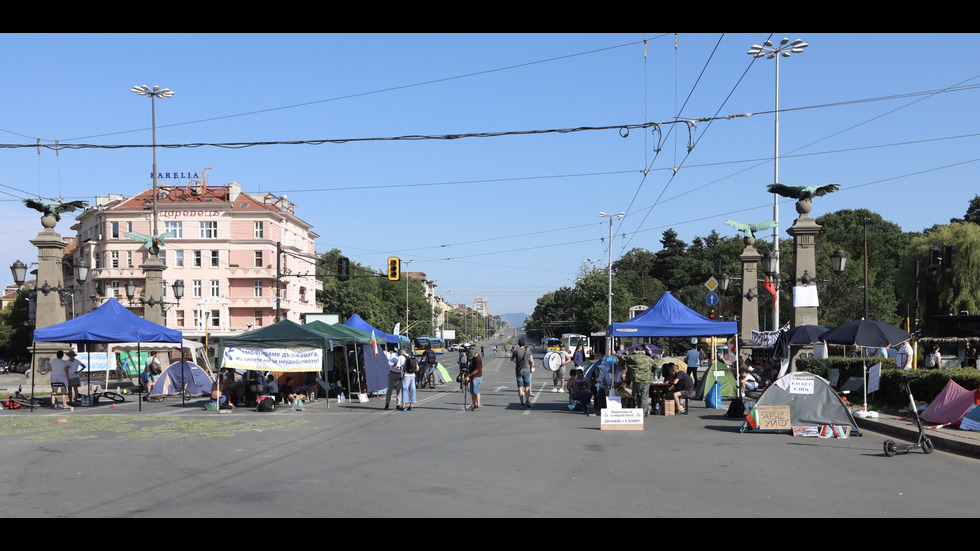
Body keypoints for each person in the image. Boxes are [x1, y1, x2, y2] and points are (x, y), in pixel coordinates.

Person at [624, 349, 654, 416]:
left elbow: (655, 366)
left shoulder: (647, 359)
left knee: (643, 396)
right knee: (635, 395)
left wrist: (650, 372)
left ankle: (642, 412)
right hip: (636, 379)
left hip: (645, 379)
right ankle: (645, 408)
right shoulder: (633, 360)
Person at [511, 337, 534, 408]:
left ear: (518, 344)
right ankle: (527, 400)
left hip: (519, 370)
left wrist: (516, 362)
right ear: (524, 343)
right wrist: (530, 368)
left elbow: (512, 359)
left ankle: (521, 402)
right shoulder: (528, 351)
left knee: (520, 387)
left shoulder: (516, 351)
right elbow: (531, 361)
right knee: (527, 386)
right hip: (526, 370)